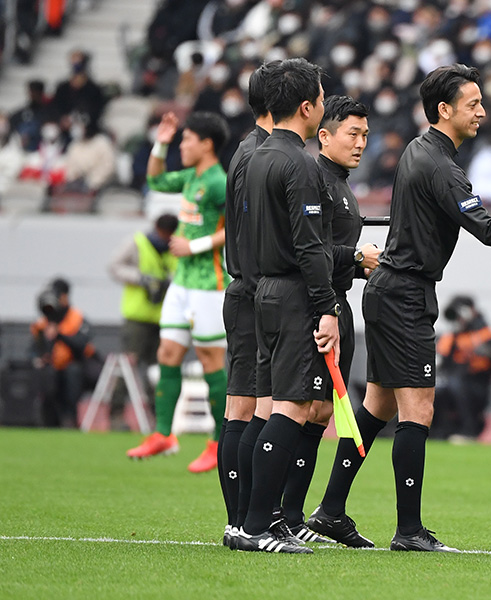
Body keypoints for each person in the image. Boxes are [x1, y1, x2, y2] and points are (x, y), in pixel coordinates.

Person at [306, 64, 491, 553]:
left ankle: (330, 511)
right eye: (473, 103)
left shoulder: (421, 152)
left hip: (396, 290)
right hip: (404, 295)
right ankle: (409, 531)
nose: (481, 110)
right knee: (418, 411)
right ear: (445, 110)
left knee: (377, 407)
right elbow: (489, 231)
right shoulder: (440, 165)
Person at [231, 57, 336, 554]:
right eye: (320, 97)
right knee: (291, 410)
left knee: (265, 409)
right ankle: (256, 526)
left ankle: (248, 522)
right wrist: (328, 307)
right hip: (293, 295)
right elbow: (310, 246)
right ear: (306, 105)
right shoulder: (299, 163)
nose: (322, 106)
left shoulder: (255, 156)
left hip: (261, 292)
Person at [278, 94, 381, 542]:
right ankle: (283, 515)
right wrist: (357, 257)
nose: (360, 144)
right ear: (324, 135)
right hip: (317, 307)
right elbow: (309, 250)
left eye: (365, 135)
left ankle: (297, 517)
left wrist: (357, 264)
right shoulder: (314, 179)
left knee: (319, 413)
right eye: (352, 134)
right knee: (302, 410)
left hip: (337, 302)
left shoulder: (341, 183)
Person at [126, 110, 230, 475]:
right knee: (167, 351)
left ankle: (219, 443)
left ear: (206, 144)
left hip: (210, 284)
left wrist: (197, 245)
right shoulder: (190, 176)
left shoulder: (218, 182)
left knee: (209, 360)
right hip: (182, 282)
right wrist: (162, 140)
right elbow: (154, 179)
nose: (181, 145)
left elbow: (236, 227)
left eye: (186, 139)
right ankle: (163, 434)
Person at [218, 61, 277, 549]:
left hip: (245, 288)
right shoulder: (260, 154)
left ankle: (242, 521)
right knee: (247, 408)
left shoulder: (246, 150)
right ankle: (242, 522)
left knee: (247, 407)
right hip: (253, 291)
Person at [107, 213, 179, 427]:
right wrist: (141, 279)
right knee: (129, 366)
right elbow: (114, 266)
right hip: (137, 317)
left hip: (163, 318)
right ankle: (116, 414)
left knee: (158, 369)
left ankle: (158, 417)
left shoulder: (175, 248)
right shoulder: (137, 243)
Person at [433, 295, 491, 442]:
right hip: (451, 384)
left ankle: (468, 430)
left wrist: (488, 353)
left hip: (476, 385)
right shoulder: (450, 337)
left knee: (457, 384)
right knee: (438, 388)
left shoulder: (484, 335)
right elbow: (442, 364)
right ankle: (438, 430)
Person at [30, 278, 98, 427]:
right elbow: (34, 349)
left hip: (78, 366)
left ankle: (70, 418)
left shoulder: (76, 317)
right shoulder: (43, 321)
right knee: (46, 374)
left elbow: (82, 345)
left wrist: (59, 335)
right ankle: (47, 420)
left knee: (72, 372)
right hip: (53, 369)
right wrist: (40, 356)